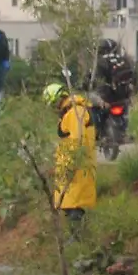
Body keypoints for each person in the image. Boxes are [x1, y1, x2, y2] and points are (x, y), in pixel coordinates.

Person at [46, 84, 97, 227]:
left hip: (77, 169)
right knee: (69, 204)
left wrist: (69, 165)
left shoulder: (76, 112)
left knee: (75, 206)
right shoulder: (70, 112)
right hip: (72, 167)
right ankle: (76, 240)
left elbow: (77, 141)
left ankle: (79, 240)